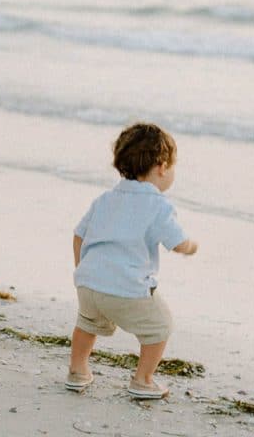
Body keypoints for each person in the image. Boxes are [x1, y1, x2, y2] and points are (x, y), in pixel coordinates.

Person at [66, 123, 198, 400]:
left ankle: (77, 371)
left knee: (88, 323)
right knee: (160, 326)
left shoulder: (105, 199)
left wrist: (84, 270)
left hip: (88, 284)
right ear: (162, 167)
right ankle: (143, 379)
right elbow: (176, 242)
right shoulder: (158, 205)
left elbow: (79, 236)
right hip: (126, 288)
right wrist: (190, 246)